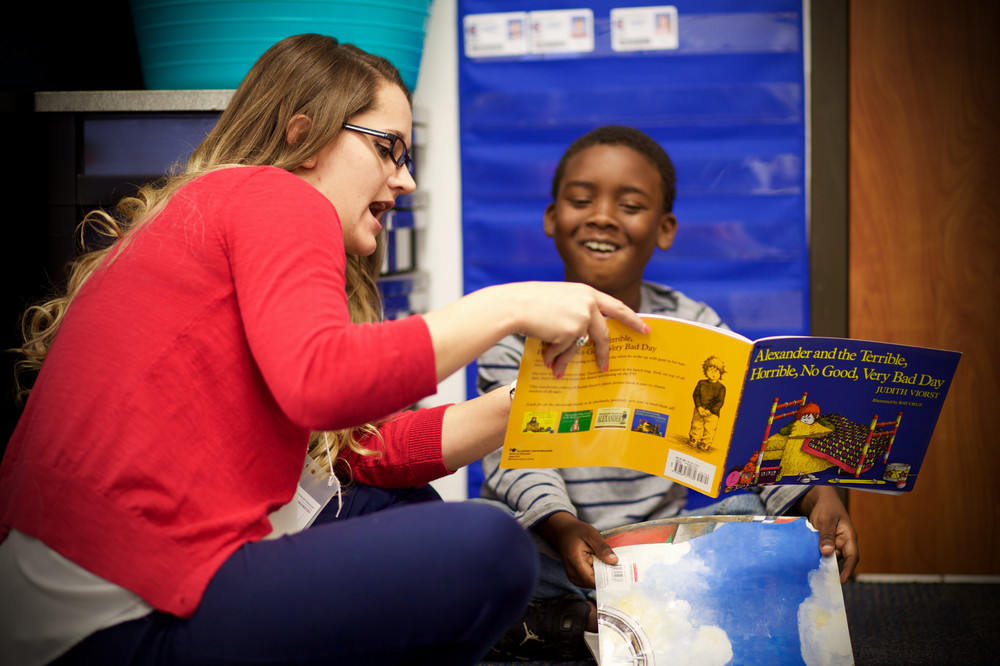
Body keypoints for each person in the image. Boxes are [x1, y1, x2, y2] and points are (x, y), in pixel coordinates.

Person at [0, 36, 651, 666]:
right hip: (116, 614)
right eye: (390, 149)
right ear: (302, 136)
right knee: (492, 547)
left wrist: (534, 400)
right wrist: (508, 303)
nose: (406, 180)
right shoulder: (275, 194)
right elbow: (321, 381)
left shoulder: (220, 214)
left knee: (397, 505)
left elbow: (363, 451)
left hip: (66, 600)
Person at [476, 125, 859, 661]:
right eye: (582, 199)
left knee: (763, 517)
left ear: (664, 228)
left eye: (629, 205)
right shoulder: (514, 330)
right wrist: (562, 527)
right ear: (552, 218)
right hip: (554, 545)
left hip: (658, 545)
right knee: (483, 534)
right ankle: (613, 614)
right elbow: (513, 461)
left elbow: (750, 440)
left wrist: (813, 494)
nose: (603, 215)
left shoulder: (697, 325)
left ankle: (584, 621)